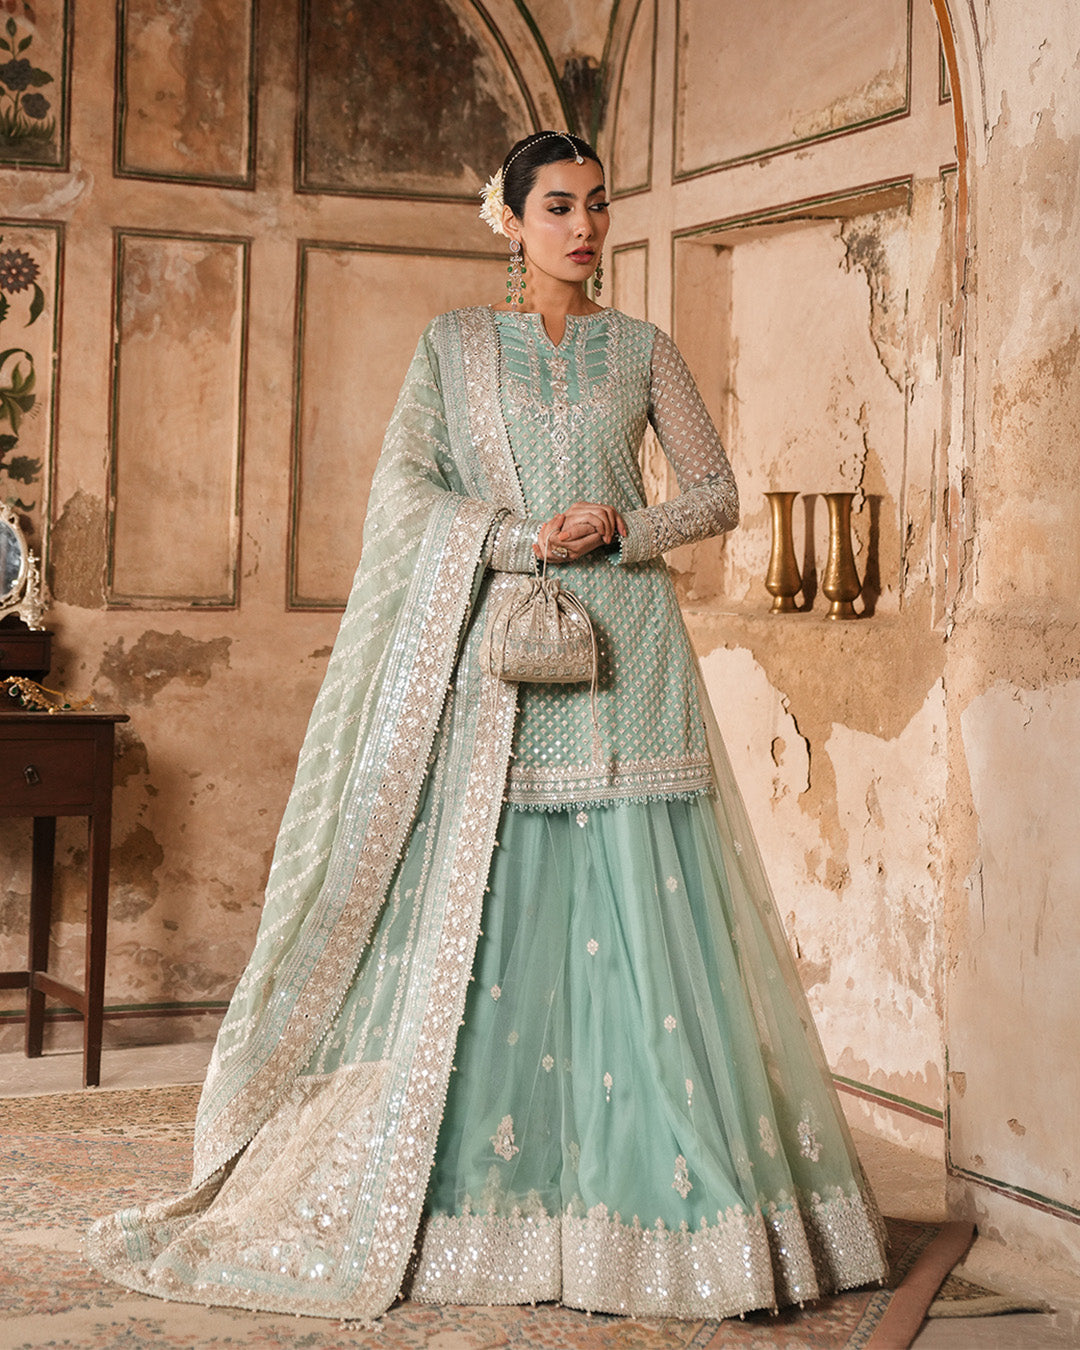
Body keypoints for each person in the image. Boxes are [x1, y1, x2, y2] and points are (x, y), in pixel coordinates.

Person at [88, 131, 888, 1322]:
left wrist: (622, 526)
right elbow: (404, 495)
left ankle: (667, 1206)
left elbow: (718, 492)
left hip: (631, 655)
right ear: (508, 221)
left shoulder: (644, 349)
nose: (585, 227)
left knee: (644, 905)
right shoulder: (453, 347)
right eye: (558, 206)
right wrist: (518, 539)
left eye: (597, 205)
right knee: (504, 898)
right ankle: (494, 1195)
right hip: (506, 658)